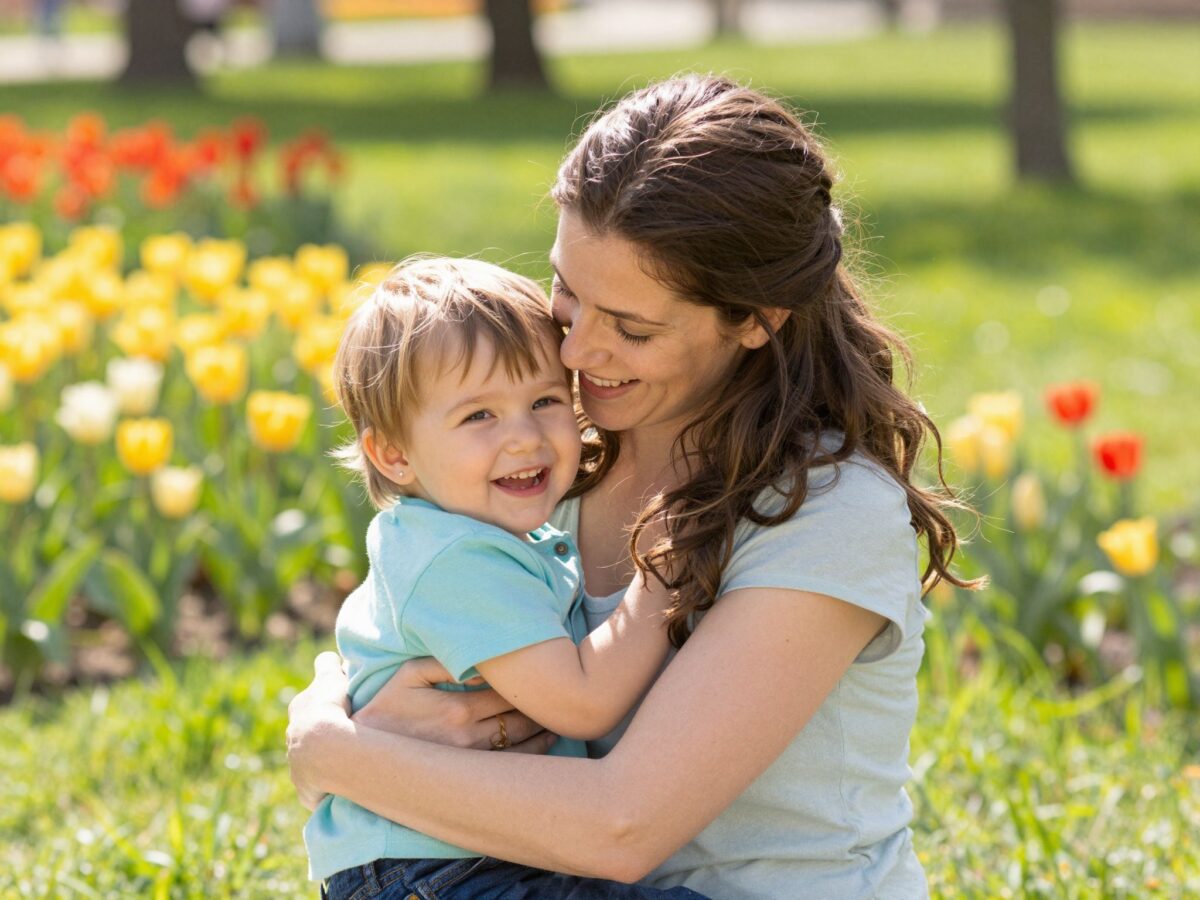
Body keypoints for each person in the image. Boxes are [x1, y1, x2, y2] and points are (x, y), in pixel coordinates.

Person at [288, 75, 972, 899]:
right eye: (568, 294)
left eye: (632, 328)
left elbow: (621, 827)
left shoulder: (825, 507)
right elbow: (412, 622)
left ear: (756, 319)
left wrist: (334, 753)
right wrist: (352, 706)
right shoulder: (547, 463)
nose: (575, 353)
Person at [308, 256, 705, 899]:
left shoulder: (477, 536)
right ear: (394, 454)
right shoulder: (456, 557)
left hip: (474, 854)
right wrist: (666, 567)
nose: (524, 437)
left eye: (545, 401)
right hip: (435, 868)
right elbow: (582, 703)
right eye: (479, 416)